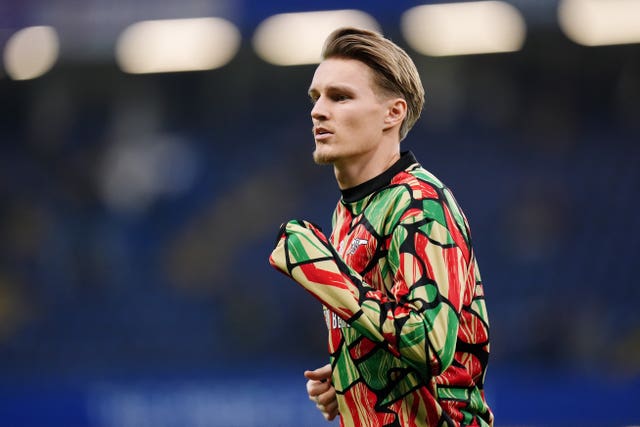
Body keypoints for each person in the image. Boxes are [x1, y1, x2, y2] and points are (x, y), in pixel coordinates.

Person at [269, 27, 493, 426]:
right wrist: (351, 378)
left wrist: (324, 272)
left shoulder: (419, 202)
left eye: (340, 97)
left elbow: (428, 342)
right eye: (316, 98)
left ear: (393, 113)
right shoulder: (347, 214)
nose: (318, 111)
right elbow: (395, 344)